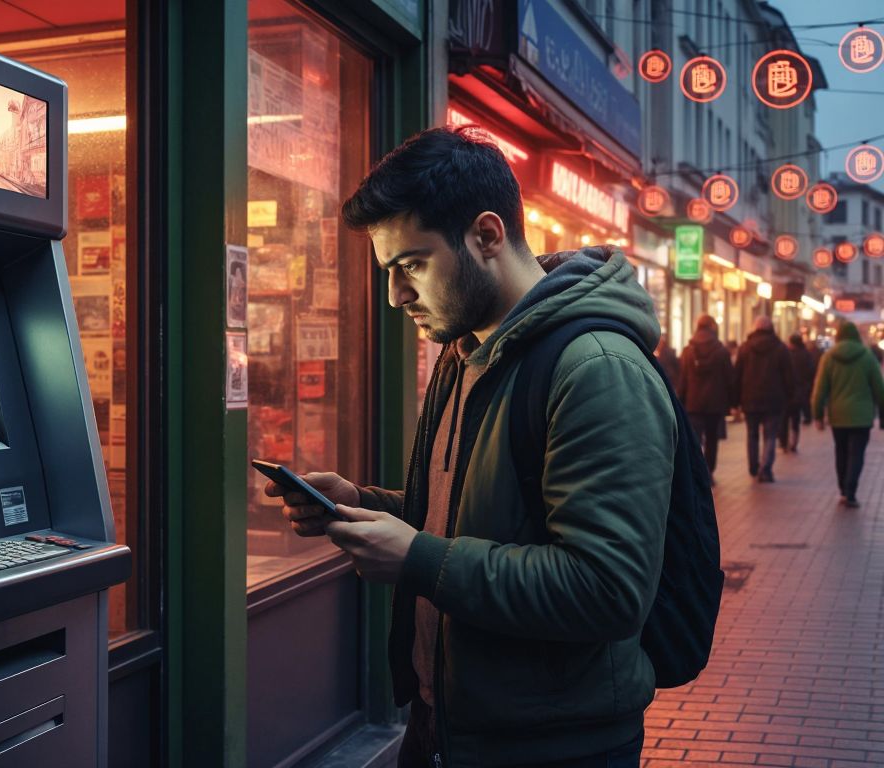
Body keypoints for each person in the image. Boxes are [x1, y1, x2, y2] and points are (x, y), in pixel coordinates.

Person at [265, 126, 673, 768]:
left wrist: (419, 558)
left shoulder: (595, 367)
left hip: (552, 743)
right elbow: (482, 514)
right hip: (448, 720)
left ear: (486, 236)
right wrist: (363, 504)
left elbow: (607, 589)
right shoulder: (468, 350)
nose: (397, 296)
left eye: (413, 265)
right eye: (390, 272)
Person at [811, 321, 884, 508]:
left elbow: (820, 390)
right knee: (856, 454)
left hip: (838, 415)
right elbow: (880, 389)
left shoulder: (828, 357)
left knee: (841, 452)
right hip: (862, 416)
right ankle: (850, 491)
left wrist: (818, 414)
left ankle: (843, 489)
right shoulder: (867, 357)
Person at [733, 316, 793, 482]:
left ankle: (753, 467)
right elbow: (789, 376)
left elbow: (737, 375)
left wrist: (735, 401)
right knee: (770, 436)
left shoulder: (745, 348)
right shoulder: (780, 348)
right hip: (774, 400)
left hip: (749, 399)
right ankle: (765, 469)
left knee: (752, 434)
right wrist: (789, 397)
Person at [678, 314, 733, 480]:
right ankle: (709, 471)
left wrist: (680, 400)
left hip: (693, 403)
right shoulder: (721, 351)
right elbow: (729, 378)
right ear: (712, 327)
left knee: (694, 440)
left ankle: (696, 473)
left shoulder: (688, 351)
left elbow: (683, 379)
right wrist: (732, 401)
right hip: (714, 404)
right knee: (711, 439)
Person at [780, 333, 816, 453]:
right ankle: (794, 442)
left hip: (786, 391)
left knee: (784, 419)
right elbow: (811, 372)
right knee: (795, 419)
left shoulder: (786, 355)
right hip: (800, 391)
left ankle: (784, 443)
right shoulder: (806, 355)